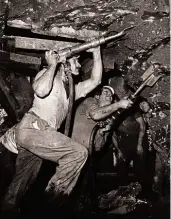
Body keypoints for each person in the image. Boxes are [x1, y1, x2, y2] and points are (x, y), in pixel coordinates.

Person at [2, 47, 104, 207]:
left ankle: (8, 211)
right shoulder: (50, 76)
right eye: (75, 60)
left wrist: (96, 52)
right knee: (79, 153)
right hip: (34, 128)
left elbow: (95, 81)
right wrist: (52, 65)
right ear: (64, 63)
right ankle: (52, 202)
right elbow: (40, 90)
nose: (79, 65)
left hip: (38, 139)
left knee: (21, 186)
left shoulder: (71, 90)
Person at [71, 85, 133, 154]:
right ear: (97, 96)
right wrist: (118, 104)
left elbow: (98, 148)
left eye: (111, 95)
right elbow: (95, 114)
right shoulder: (90, 101)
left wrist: (101, 133)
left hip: (85, 155)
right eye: (106, 92)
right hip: (72, 148)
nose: (110, 96)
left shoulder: (106, 118)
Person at [112, 99, 152, 185]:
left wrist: (139, 144)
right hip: (123, 141)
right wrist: (118, 149)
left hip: (137, 139)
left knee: (140, 168)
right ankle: (123, 191)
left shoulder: (132, 110)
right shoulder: (112, 114)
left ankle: (142, 192)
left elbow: (142, 125)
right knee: (121, 168)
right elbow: (113, 134)